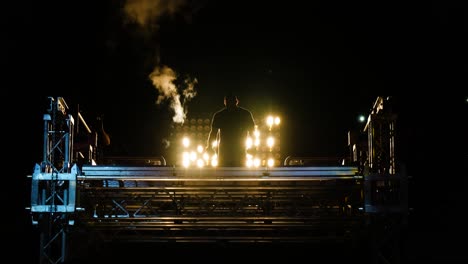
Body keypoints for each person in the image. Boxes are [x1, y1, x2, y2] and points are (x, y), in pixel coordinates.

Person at [206, 93, 256, 167]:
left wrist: (209, 147)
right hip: (239, 150)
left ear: (225, 102)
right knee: (239, 171)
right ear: (236, 101)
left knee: (224, 172)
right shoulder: (245, 114)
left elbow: (213, 133)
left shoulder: (220, 115)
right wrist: (254, 147)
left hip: (225, 151)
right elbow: (252, 133)